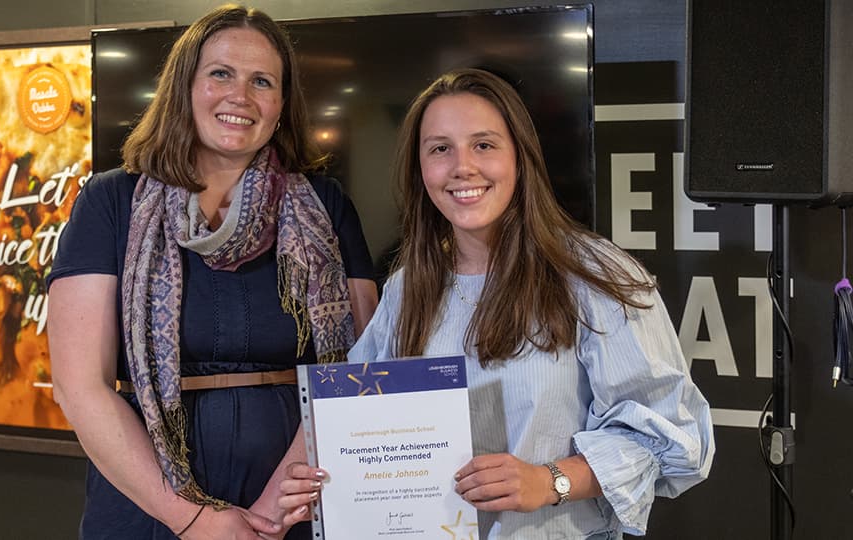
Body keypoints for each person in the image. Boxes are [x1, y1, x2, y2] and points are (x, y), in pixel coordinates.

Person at [279, 68, 714, 539]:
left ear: (521, 158)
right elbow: (357, 425)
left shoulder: (597, 277)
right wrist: (326, 478)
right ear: (420, 168)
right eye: (440, 148)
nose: (462, 166)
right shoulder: (407, 289)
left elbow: (671, 436)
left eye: (483, 144)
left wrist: (550, 481)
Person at [47, 5, 378, 539]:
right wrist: (192, 518)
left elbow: (361, 366)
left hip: (301, 500)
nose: (240, 96)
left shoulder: (327, 205)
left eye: (262, 81)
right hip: (150, 506)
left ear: (281, 105)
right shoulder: (110, 202)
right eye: (220, 73)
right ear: (184, 86)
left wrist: (275, 507)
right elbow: (78, 385)